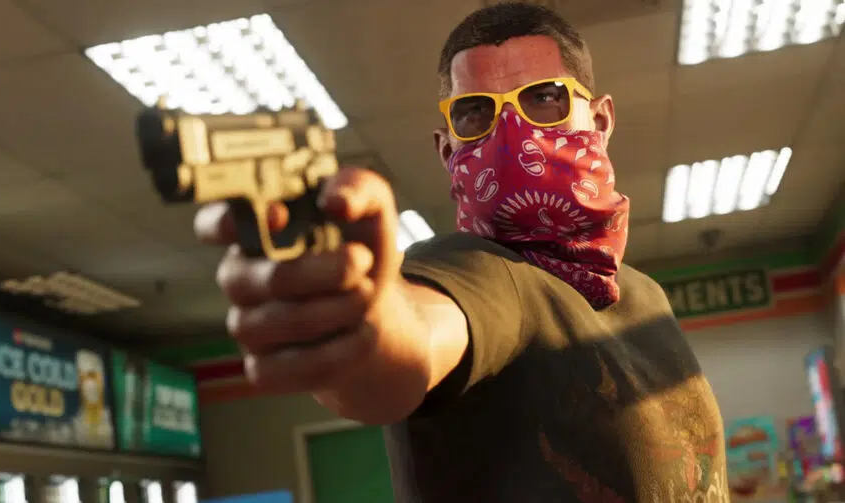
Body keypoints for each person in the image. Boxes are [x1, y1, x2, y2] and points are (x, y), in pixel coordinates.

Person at [195, 3, 729, 501]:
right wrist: (359, 325)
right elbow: (409, 343)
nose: (513, 132)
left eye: (545, 99)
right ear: (447, 147)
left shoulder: (645, 296)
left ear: (601, 121)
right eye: (476, 113)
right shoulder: (476, 273)